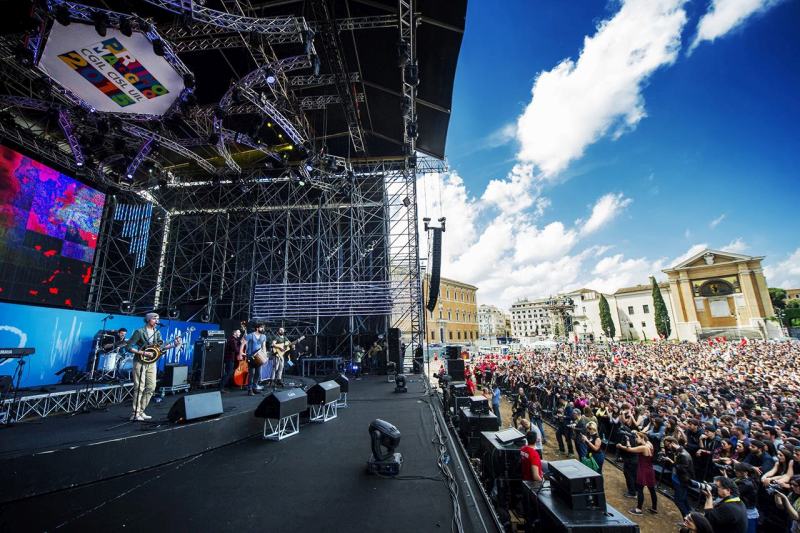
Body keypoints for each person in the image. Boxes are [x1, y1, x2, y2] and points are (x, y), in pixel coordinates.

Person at [127, 312, 181, 421]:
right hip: (140, 362)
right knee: (139, 387)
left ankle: (141, 411)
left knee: (151, 387)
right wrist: (143, 353)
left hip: (152, 363)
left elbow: (161, 347)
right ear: (148, 320)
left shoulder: (157, 332)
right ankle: (135, 413)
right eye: (155, 319)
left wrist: (174, 345)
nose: (157, 321)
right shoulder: (140, 332)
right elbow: (129, 347)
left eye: (158, 319)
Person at [618, 430, 657, 515]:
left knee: (640, 490)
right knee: (652, 489)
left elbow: (629, 449)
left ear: (642, 438)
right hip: (650, 470)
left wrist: (627, 441)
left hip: (643, 470)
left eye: (637, 437)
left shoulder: (643, 447)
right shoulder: (649, 444)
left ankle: (638, 510)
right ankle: (654, 508)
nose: (636, 439)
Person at [663, 436, 695, 517]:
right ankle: (689, 515)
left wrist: (670, 461)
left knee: (678, 501)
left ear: (673, 443)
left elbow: (682, 469)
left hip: (681, 481)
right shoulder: (678, 451)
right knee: (683, 499)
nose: (668, 448)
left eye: (668, 445)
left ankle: (686, 518)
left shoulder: (683, 454)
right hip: (677, 479)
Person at [243, 324, 267, 396]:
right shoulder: (250, 335)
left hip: (259, 357)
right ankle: (249, 389)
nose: (263, 329)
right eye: (261, 328)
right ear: (257, 328)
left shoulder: (263, 336)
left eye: (263, 328)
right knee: (251, 374)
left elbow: (264, 346)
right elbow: (243, 344)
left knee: (258, 373)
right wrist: (241, 353)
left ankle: (254, 387)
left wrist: (264, 355)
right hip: (251, 357)